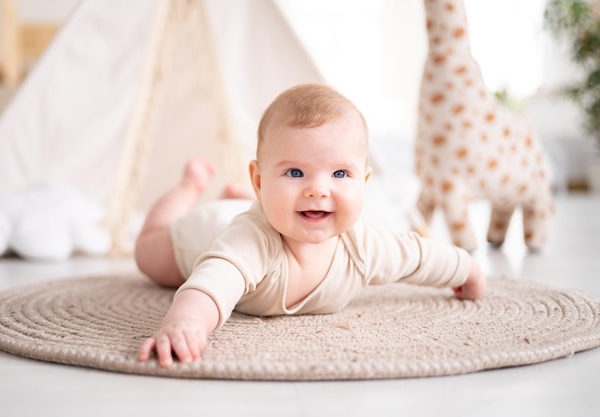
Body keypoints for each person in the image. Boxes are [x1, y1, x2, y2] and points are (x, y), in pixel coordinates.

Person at [136, 83, 487, 368]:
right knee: (147, 252)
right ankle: (190, 188)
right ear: (260, 180)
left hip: (256, 205)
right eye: (294, 172)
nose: (318, 190)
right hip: (201, 234)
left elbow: (417, 256)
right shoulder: (253, 240)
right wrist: (186, 323)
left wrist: (467, 269)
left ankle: (237, 195)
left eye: (339, 174)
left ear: (364, 181)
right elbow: (213, 282)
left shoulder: (363, 245)